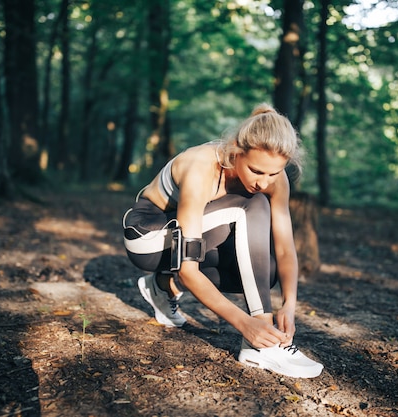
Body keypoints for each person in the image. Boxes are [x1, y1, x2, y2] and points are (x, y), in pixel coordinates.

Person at [122, 103, 323, 379]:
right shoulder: (202, 168)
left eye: (273, 173)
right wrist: (246, 324)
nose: (264, 183)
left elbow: (286, 249)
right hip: (148, 236)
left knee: (269, 270)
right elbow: (188, 269)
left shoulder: (274, 180)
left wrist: (289, 304)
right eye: (256, 170)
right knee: (253, 206)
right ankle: (258, 346)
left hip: (192, 237)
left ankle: (162, 286)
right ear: (236, 151)